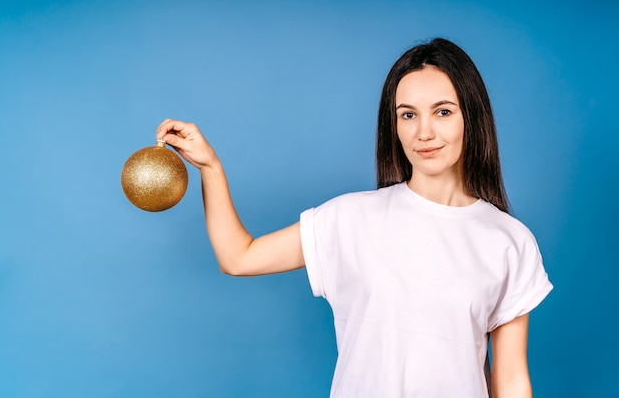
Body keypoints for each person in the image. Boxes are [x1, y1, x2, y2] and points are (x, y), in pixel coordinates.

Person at [155, 38, 552, 398]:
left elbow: (511, 380)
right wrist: (210, 168)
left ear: (471, 118)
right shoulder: (350, 219)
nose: (424, 132)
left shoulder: (509, 241)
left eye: (443, 112)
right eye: (408, 115)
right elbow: (238, 257)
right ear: (393, 125)